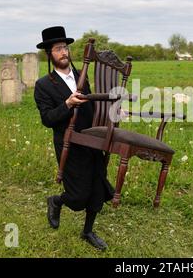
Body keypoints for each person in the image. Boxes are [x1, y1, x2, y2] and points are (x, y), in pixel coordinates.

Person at [34, 26, 114, 251]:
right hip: (69, 143)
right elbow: (47, 119)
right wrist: (67, 104)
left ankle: (88, 231)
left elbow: (93, 104)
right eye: (58, 49)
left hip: (93, 139)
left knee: (97, 189)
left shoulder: (81, 75)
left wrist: (112, 112)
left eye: (65, 47)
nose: (63, 52)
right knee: (78, 196)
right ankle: (56, 201)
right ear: (49, 54)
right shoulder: (43, 85)